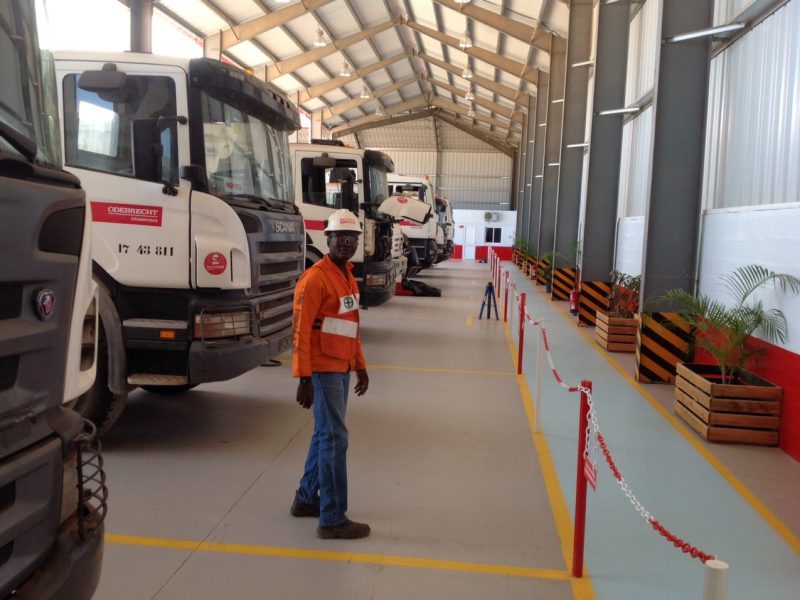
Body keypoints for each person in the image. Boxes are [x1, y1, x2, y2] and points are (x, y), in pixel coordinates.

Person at [290, 209, 371, 540]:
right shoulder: (315, 279)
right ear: (328, 239)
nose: (347, 242)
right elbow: (301, 331)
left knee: (325, 435)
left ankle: (307, 498)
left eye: (353, 237)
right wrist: (304, 378)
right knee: (336, 439)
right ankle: (333, 518)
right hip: (322, 372)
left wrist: (361, 365)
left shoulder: (347, 276)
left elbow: (349, 327)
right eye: (341, 237)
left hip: (342, 368)